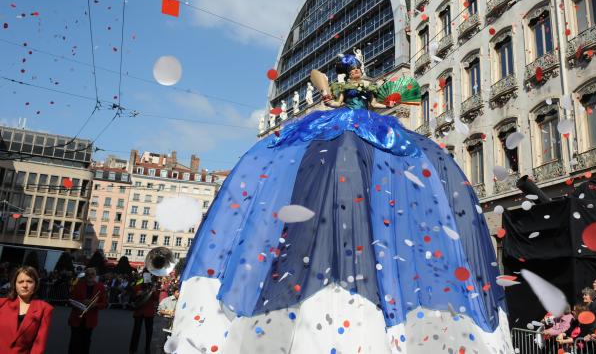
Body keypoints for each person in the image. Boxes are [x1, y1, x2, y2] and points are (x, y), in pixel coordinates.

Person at [168, 55, 511, 353]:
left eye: (360, 69)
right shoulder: (340, 90)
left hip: (369, 127)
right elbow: (330, 98)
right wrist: (334, 96)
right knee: (342, 157)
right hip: (344, 126)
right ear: (348, 73)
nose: (360, 73)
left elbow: (381, 103)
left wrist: (388, 101)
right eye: (355, 70)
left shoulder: (369, 87)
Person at [0, 266, 53, 354]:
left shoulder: (44, 309)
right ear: (14, 284)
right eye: (20, 282)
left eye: (29, 281)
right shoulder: (2, 304)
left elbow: (39, 345)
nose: (25, 285)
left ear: (35, 284)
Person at [67, 267, 107, 354]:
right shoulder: (78, 285)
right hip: (76, 317)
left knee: (86, 341)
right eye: (88, 274)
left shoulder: (100, 287)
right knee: (74, 341)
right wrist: (82, 301)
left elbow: (104, 304)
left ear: (95, 276)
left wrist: (94, 304)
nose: (90, 276)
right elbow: (71, 299)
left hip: (90, 319)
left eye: (92, 274)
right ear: (85, 275)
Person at [129, 272, 159, 354]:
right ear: (143, 278)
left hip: (149, 312)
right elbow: (131, 298)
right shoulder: (137, 286)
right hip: (139, 311)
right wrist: (137, 294)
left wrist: (154, 291)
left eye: (148, 277)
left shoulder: (152, 287)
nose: (146, 279)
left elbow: (156, 298)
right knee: (136, 331)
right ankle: (133, 349)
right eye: (145, 277)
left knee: (149, 331)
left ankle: (147, 348)